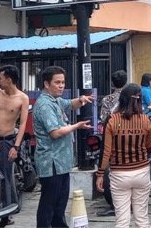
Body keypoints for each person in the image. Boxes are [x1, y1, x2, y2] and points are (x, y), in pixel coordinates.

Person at [33, 65, 93, 228]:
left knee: (59, 204)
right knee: (49, 204)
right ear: (46, 84)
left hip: (61, 163)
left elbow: (68, 104)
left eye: (63, 82)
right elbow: (55, 132)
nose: (61, 86)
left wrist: (81, 100)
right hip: (51, 163)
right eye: (57, 82)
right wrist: (76, 126)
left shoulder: (55, 100)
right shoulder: (45, 105)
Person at [96, 84, 151, 228]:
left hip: (119, 173)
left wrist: (100, 174)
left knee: (122, 220)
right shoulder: (146, 120)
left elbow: (106, 151)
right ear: (139, 100)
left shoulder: (112, 120)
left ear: (121, 100)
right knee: (142, 218)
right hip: (141, 171)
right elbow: (148, 144)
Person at [0, 65, 29, 225]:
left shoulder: (22, 98)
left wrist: (15, 147)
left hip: (7, 140)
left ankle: (7, 211)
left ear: (9, 79)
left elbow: (23, 124)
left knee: (4, 175)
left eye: (0, 78)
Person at [96, 69, 128, 217]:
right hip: (128, 135)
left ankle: (114, 203)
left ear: (112, 83)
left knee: (108, 164)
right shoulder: (131, 97)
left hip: (111, 134)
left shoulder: (107, 100)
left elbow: (103, 118)